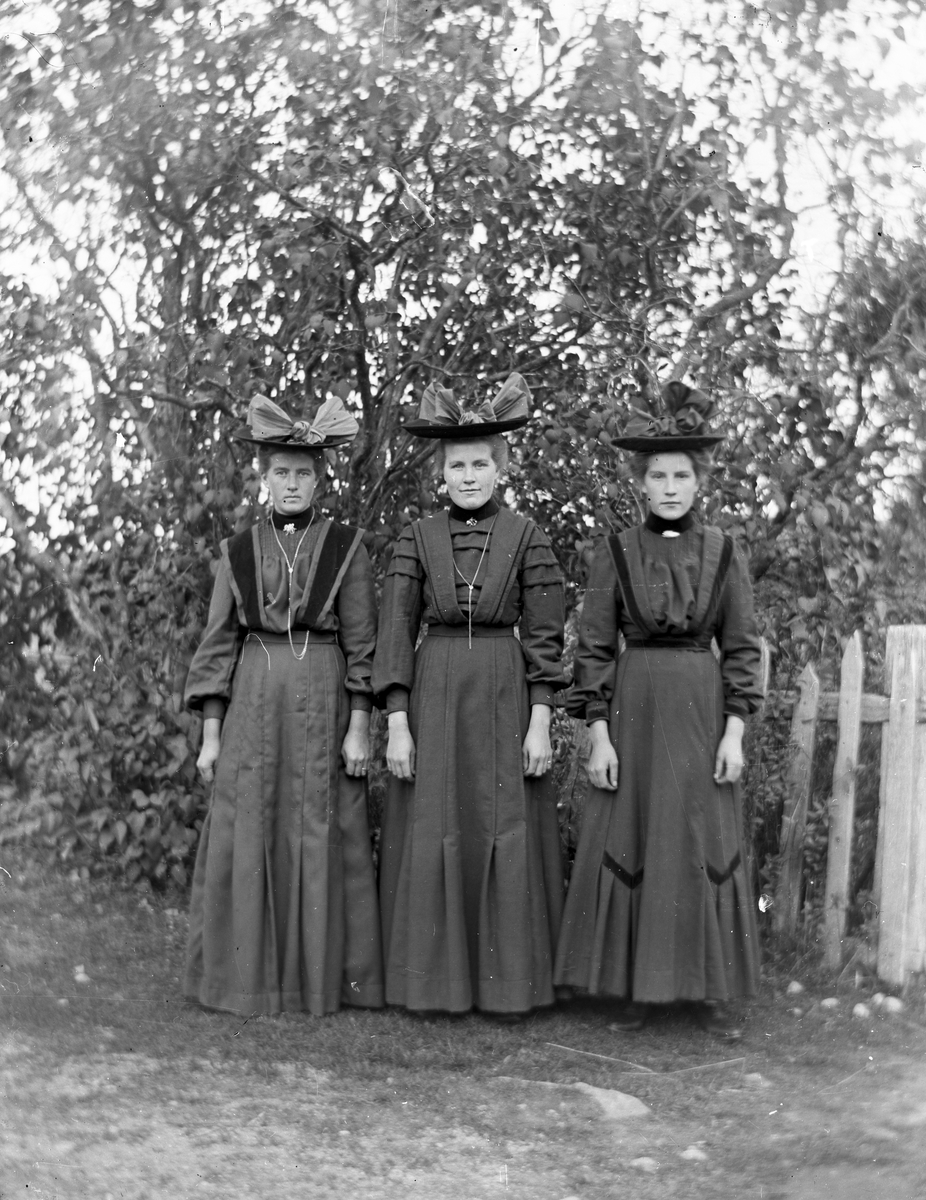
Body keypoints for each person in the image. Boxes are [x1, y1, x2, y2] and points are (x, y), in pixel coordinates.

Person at [554, 381, 763, 1039]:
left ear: (700, 480)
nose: (670, 487)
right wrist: (598, 734)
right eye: (657, 476)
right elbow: (593, 646)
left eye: (681, 475)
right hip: (635, 712)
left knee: (700, 839)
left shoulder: (724, 553)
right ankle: (637, 989)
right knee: (636, 836)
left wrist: (734, 733)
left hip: (701, 714)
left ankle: (706, 992)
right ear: (641, 482)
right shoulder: (617, 551)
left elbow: (742, 647)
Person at [373, 373, 567, 1017]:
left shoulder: (528, 537)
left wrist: (539, 722)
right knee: (437, 822)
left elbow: (545, 638)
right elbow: (395, 634)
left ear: (500, 468)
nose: (469, 476)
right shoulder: (416, 538)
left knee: (502, 821)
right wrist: (398, 723)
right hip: (434, 694)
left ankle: (507, 984)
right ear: (442, 473)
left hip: (506, 692)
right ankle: (431, 983)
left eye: (481, 463)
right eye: (457, 465)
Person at [183, 395, 383, 1016]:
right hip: (254, 699)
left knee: (320, 824)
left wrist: (359, 729)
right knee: (250, 822)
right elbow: (217, 646)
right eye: (280, 473)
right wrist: (211, 738)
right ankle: (245, 978)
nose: (291, 484)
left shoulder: (345, 547)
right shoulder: (238, 552)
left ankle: (320, 980)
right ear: (263, 478)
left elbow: (363, 647)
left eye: (302, 473)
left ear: (319, 480)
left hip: (323, 699)